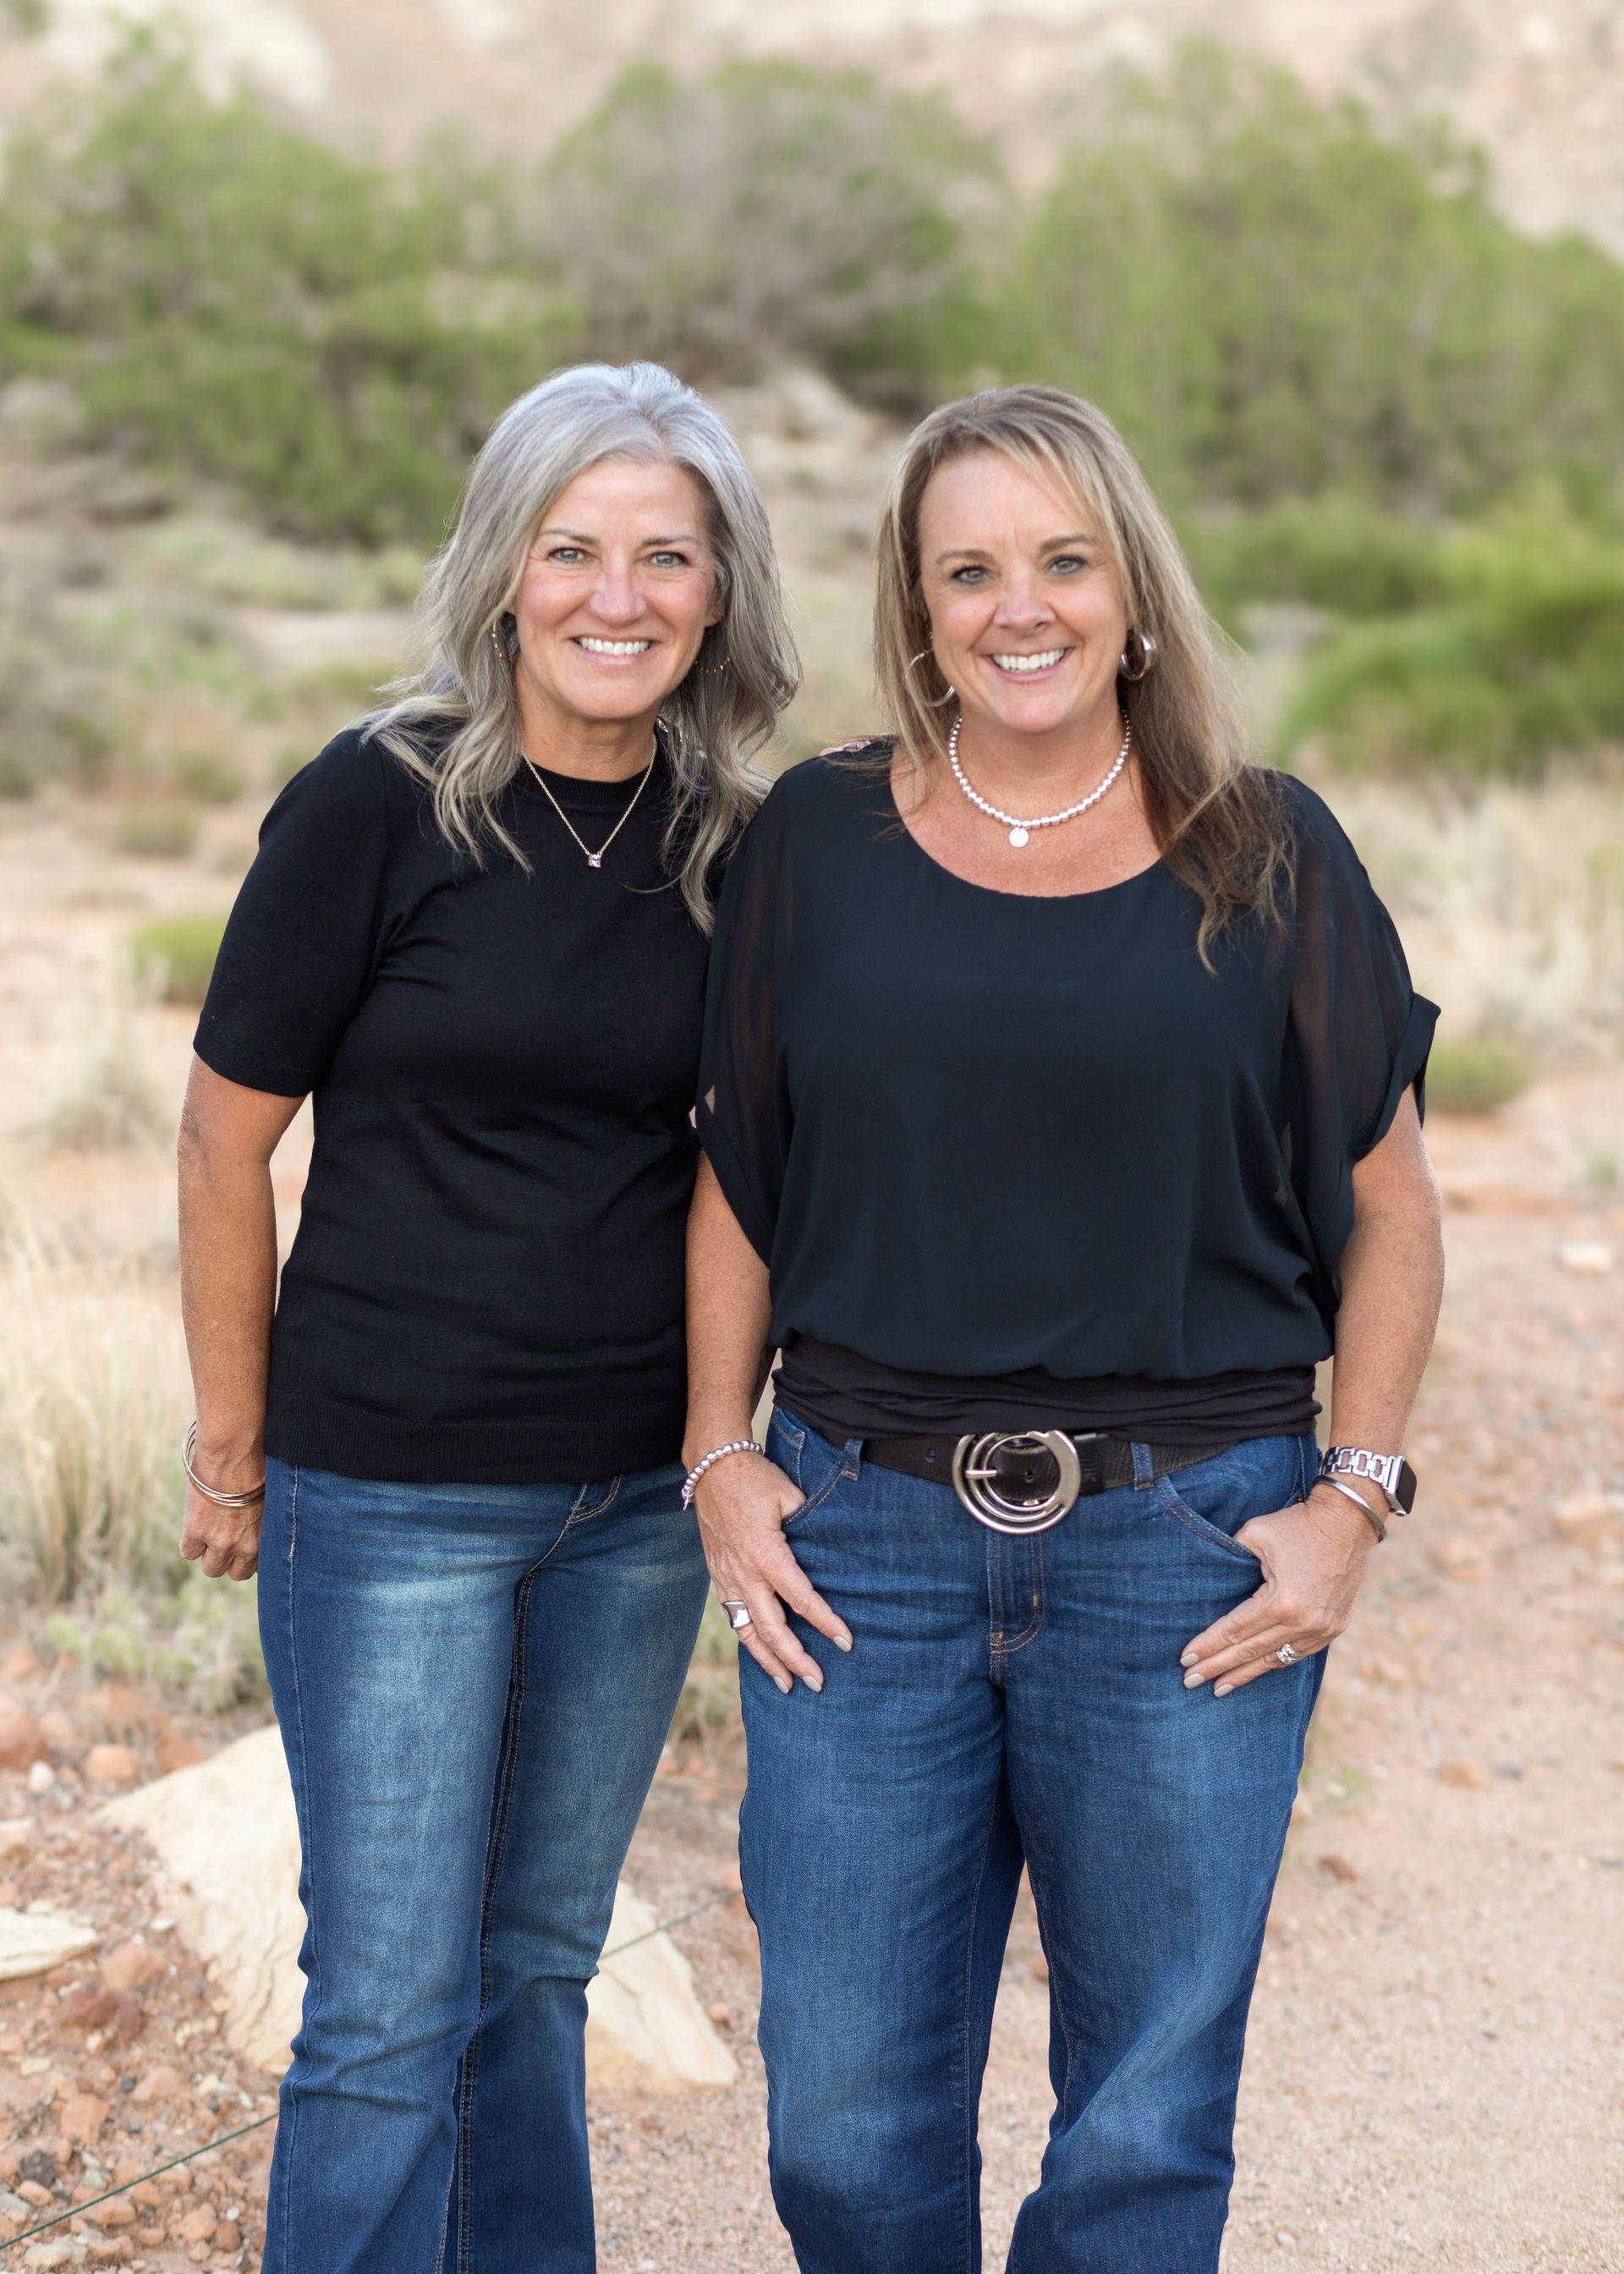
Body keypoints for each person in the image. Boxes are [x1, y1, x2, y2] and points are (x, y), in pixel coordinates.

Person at [683, 384, 1442, 2273]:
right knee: (847, 2135)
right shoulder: (819, 843)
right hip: (862, 1541)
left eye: (1061, 561)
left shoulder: (1268, 853)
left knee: (1143, 2138)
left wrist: (1350, 1501)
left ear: (1132, 592)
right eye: (969, 571)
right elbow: (738, 1188)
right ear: (918, 607)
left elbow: (1397, 1208)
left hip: (1188, 1550)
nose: (1019, 608)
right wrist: (719, 1461)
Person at [174, 360, 796, 2274]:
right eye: (574, 548)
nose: (618, 596)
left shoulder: (737, 849)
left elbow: (747, 1178)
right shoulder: (374, 801)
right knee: (380, 2004)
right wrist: (229, 1443)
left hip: (629, 1504)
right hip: (393, 1496)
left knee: (537, 1966)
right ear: (506, 570)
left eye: (665, 556)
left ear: (719, 591)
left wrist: (716, 1449)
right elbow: (220, 1140)